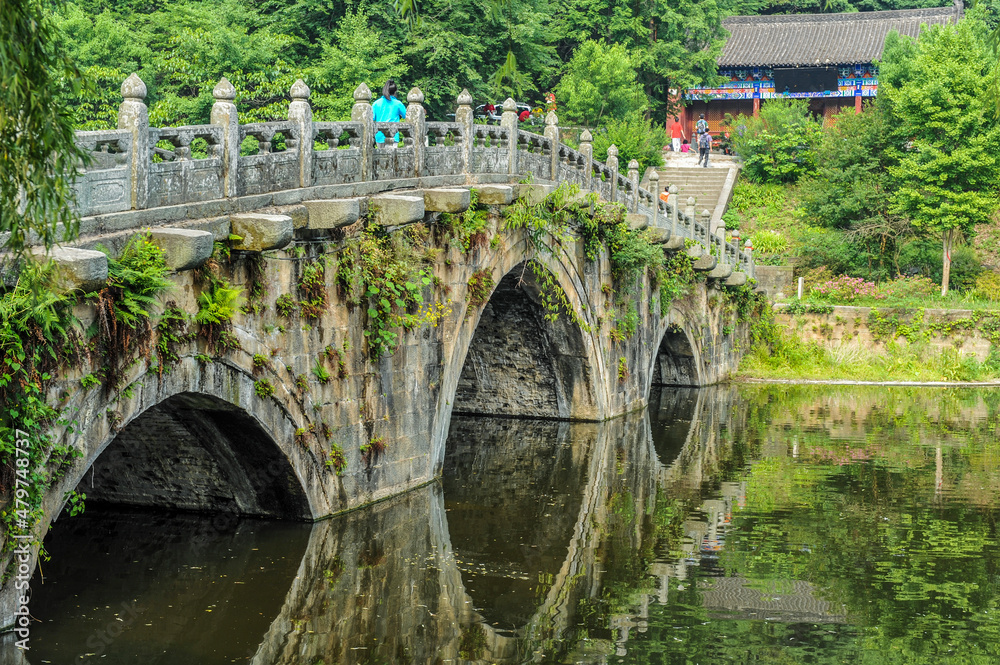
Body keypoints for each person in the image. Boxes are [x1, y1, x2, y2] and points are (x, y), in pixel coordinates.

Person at [372, 80, 406, 144]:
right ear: (395, 91)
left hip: (379, 135)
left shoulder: (376, 103)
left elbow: (372, 118)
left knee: (381, 154)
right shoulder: (398, 104)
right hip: (393, 135)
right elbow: (406, 116)